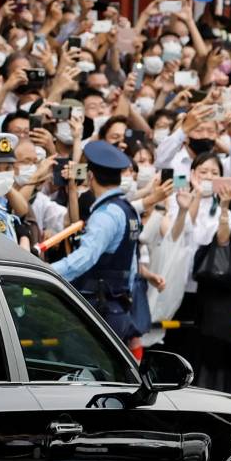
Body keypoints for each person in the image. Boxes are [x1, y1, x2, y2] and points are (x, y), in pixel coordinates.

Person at [52, 140, 144, 341]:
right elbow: (132, 266)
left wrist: (46, 272)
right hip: (118, 306)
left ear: (91, 177)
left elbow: (85, 258)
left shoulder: (106, 215)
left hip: (99, 309)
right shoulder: (129, 210)